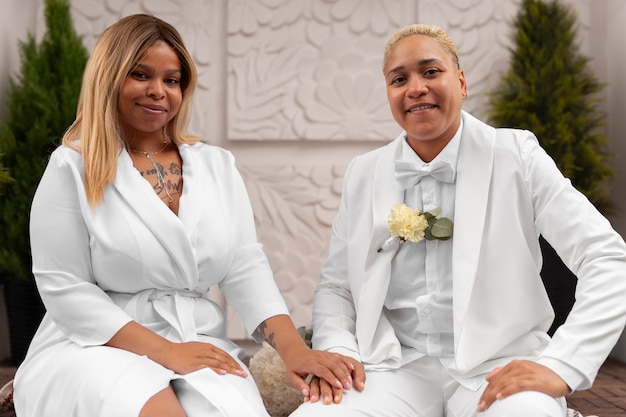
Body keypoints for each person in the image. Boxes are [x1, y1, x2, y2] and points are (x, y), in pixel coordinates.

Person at [12, 14, 357, 417]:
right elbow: (64, 286)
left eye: (172, 80)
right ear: (109, 78)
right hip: (93, 346)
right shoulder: (72, 166)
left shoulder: (216, 165)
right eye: (141, 75)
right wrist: (166, 352)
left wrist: (294, 351)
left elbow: (245, 267)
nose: (159, 91)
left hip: (197, 342)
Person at [290, 23, 626, 417]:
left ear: (461, 82)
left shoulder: (516, 154)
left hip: (497, 366)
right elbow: (337, 286)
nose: (415, 87)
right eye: (399, 79)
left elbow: (606, 257)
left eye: (431, 71)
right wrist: (340, 353)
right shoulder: (363, 173)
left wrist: (563, 364)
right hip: (392, 370)